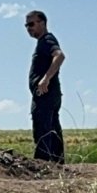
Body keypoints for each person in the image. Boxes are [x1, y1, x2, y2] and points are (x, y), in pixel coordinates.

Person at [25, 10, 66, 163]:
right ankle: (57, 164)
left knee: (43, 129)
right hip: (50, 94)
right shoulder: (43, 42)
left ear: (42, 23)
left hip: (45, 93)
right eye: (26, 25)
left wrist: (46, 79)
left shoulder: (47, 40)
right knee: (52, 128)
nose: (29, 28)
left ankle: (42, 165)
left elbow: (59, 56)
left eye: (31, 24)